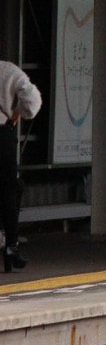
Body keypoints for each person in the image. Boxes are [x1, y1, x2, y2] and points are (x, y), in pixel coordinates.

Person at [0, 59, 41, 272]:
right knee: (8, 190)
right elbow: (33, 101)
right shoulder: (9, 71)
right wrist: (17, 114)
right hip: (2, 136)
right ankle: (11, 246)